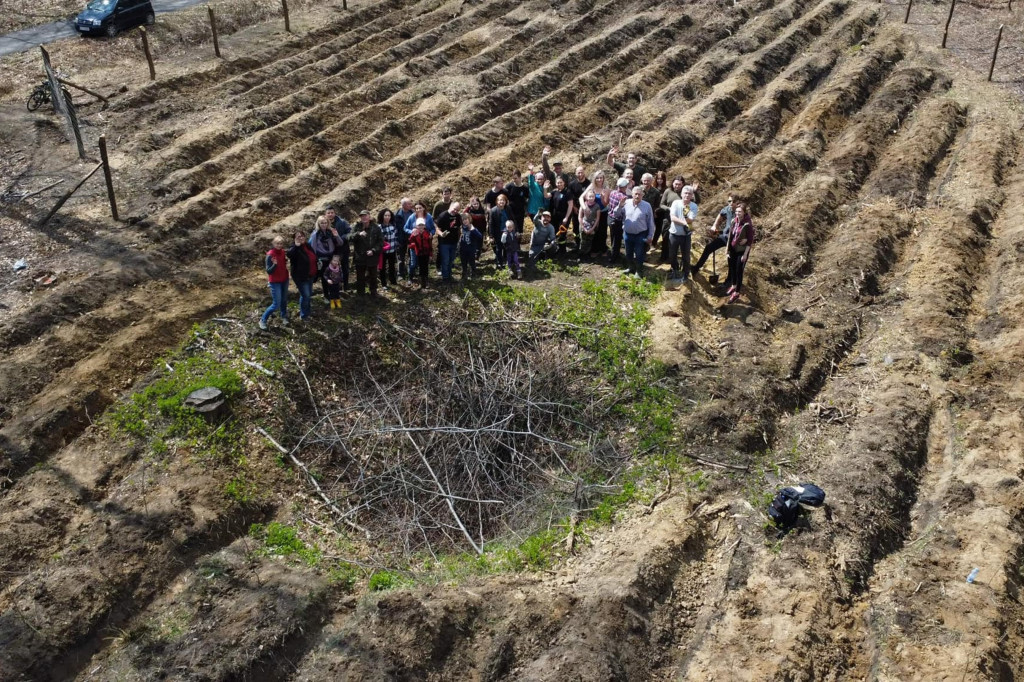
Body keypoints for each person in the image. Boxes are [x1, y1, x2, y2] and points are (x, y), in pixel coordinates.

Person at [613, 185, 656, 277]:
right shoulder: (626, 203)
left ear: (642, 195)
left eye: (639, 194)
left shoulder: (647, 206)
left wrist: (650, 236)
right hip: (628, 234)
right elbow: (616, 214)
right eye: (635, 194)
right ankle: (630, 268)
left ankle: (639, 271)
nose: (637, 196)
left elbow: (651, 222)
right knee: (628, 252)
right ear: (632, 194)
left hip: (641, 234)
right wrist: (620, 206)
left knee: (639, 253)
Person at [694, 195, 735, 277]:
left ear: (738, 202)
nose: (730, 203)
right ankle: (697, 267)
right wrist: (715, 226)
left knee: (731, 258)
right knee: (709, 248)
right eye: (729, 201)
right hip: (725, 236)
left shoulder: (741, 212)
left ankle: (729, 280)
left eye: (733, 201)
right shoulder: (727, 209)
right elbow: (720, 215)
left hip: (734, 239)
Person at [309, 213, 345, 300]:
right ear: (318, 224)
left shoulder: (331, 232)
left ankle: (335, 295)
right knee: (325, 278)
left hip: (332, 258)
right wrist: (316, 260)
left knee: (335, 276)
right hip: (322, 259)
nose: (324, 225)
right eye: (322, 223)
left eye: (325, 222)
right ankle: (326, 295)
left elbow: (340, 243)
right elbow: (313, 249)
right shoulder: (315, 234)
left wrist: (336, 236)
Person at [668, 185, 698, 283]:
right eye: (685, 193)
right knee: (672, 255)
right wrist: (685, 222)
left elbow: (690, 219)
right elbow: (673, 218)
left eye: (689, 193)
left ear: (692, 195)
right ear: (681, 194)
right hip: (674, 233)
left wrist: (685, 218)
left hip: (686, 235)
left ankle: (685, 273)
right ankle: (675, 269)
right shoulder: (676, 203)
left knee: (686, 256)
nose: (687, 195)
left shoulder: (693, 206)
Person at [726, 203, 754, 303]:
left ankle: (737, 292)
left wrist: (745, 254)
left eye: (740, 212)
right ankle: (733, 286)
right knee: (732, 268)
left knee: (739, 271)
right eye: (736, 211)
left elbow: (750, 241)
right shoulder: (734, 221)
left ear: (744, 212)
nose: (738, 213)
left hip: (741, 251)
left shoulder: (747, 224)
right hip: (733, 249)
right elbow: (730, 236)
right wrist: (728, 250)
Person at [287, 230, 318, 321]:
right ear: (294, 239)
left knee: (307, 294)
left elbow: (313, 257)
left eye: (302, 236)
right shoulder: (294, 248)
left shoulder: (307, 246)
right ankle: (304, 315)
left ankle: (306, 311)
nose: (301, 238)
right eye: (298, 237)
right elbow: (290, 254)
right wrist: (296, 246)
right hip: (301, 277)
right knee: (306, 295)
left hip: (310, 275)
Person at [350, 209, 383, 295]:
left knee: (373, 276)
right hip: (360, 256)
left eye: (365, 215)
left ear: (369, 216)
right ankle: (360, 293)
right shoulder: (356, 227)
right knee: (360, 277)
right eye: (362, 216)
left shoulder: (376, 228)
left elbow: (381, 242)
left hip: (372, 256)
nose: (364, 217)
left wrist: (373, 250)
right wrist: (358, 234)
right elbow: (349, 237)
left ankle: (373, 292)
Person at [260, 236, 289, 330]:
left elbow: (284, 262)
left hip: (284, 279)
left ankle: (283, 316)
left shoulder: (283, 252)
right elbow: (269, 271)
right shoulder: (270, 255)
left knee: (284, 300)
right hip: (275, 282)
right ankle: (263, 320)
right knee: (276, 304)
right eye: (277, 243)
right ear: (273, 244)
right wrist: (275, 264)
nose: (279, 245)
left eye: (281, 244)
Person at [582, 170, 609, 257]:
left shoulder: (606, 187)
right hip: (592, 213)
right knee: (594, 231)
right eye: (597, 178)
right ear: (594, 179)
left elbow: (605, 203)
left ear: (603, 179)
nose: (599, 180)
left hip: (603, 212)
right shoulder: (591, 186)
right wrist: (584, 207)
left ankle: (603, 249)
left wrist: (601, 198)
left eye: (601, 178)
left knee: (603, 231)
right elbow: (581, 197)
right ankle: (594, 249)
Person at [323, 207, 351, 291]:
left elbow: (349, 232)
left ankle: (346, 286)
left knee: (345, 268)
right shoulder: (324, 223)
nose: (330, 214)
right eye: (328, 213)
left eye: (332, 212)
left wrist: (341, 238)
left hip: (343, 249)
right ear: (326, 214)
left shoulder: (342, 222)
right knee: (333, 269)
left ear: (335, 213)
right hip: (331, 251)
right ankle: (335, 287)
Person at [659, 176, 684, 264]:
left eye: (679, 184)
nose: (677, 186)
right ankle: (663, 256)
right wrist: (669, 209)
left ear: (682, 185)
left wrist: (695, 192)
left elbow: (695, 201)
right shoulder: (668, 191)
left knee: (675, 239)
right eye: (676, 184)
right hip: (667, 218)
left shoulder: (684, 193)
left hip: (679, 219)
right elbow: (661, 204)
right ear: (673, 183)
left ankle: (672, 257)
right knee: (665, 237)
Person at [436, 201, 461, 283]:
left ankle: (449, 275)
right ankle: (445, 277)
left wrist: (459, 238)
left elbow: (459, 228)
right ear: (450, 206)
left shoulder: (458, 216)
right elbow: (437, 229)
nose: (455, 211)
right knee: (445, 260)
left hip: (454, 242)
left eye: (457, 210)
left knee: (451, 259)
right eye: (454, 209)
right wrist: (441, 234)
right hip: (444, 242)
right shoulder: (443, 216)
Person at [607, 177, 630, 264]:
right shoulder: (623, 198)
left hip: (610, 217)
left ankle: (613, 254)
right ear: (624, 187)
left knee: (613, 238)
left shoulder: (613, 192)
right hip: (618, 220)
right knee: (617, 240)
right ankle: (614, 258)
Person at [547, 175, 575, 246]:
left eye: (561, 182)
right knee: (555, 232)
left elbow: (570, 205)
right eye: (558, 183)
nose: (559, 184)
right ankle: (556, 248)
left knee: (562, 233)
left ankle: (562, 251)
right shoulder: (555, 192)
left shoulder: (568, 192)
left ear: (564, 183)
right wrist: (544, 188)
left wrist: (566, 217)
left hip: (564, 216)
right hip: (555, 216)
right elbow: (546, 196)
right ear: (556, 183)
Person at [394, 197, 415, 279]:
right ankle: (400, 274)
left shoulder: (413, 213)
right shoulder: (396, 215)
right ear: (403, 205)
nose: (411, 205)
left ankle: (411, 272)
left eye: (410, 203)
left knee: (412, 256)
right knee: (400, 257)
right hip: (401, 238)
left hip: (411, 237)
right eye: (409, 204)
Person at [488, 194, 512, 267]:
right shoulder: (493, 210)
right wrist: (491, 236)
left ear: (505, 201)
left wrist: (515, 230)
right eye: (500, 200)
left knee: (507, 248)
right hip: (498, 232)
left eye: (503, 200)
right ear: (497, 202)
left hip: (507, 231)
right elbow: (490, 224)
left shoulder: (508, 208)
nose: (501, 202)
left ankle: (507, 262)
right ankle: (499, 263)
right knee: (499, 248)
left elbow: (512, 219)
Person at [408, 218, 432, 288]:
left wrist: (430, 254)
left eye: (422, 225)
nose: (421, 227)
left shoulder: (427, 233)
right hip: (418, 253)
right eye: (419, 225)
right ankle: (419, 280)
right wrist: (412, 235)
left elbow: (430, 245)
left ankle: (426, 280)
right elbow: (410, 242)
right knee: (418, 265)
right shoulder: (414, 234)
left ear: (424, 226)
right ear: (416, 226)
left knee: (425, 266)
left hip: (426, 252)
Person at [458, 211, 483, 280]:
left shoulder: (472, 228)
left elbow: (480, 236)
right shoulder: (461, 228)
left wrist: (473, 230)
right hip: (463, 248)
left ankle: (473, 273)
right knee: (463, 262)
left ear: (469, 219)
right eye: (463, 220)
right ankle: (464, 274)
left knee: (472, 261)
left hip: (471, 249)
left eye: (466, 219)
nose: (465, 221)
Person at [567, 165, 588, 247]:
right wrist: (574, 207)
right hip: (575, 209)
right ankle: (577, 243)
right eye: (578, 172)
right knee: (576, 228)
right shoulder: (572, 184)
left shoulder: (588, 183)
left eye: (581, 172)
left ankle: (585, 244)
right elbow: (570, 197)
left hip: (586, 209)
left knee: (586, 226)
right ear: (576, 173)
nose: (580, 174)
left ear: (584, 172)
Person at [378, 208, 399, 289]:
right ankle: (383, 283)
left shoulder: (393, 225)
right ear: (382, 216)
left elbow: (396, 236)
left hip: (392, 250)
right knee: (382, 267)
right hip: (383, 251)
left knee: (392, 266)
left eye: (389, 215)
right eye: (385, 215)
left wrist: (397, 244)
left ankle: (393, 280)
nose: (387, 217)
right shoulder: (379, 227)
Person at [643, 173, 664, 249]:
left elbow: (657, 204)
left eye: (648, 181)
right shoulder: (638, 190)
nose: (646, 182)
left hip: (650, 216)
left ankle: (645, 250)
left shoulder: (656, 192)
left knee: (648, 233)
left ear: (651, 181)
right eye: (644, 180)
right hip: (640, 216)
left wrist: (654, 212)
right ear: (642, 180)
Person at [577, 189, 600, 260]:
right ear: (586, 197)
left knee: (589, 241)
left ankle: (587, 254)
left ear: (594, 197)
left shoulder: (597, 206)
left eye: (592, 196)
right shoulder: (583, 205)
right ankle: (581, 255)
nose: (591, 198)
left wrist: (592, 228)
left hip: (592, 226)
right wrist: (583, 227)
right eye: (589, 196)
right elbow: (580, 217)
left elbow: (597, 218)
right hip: (583, 225)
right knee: (583, 241)